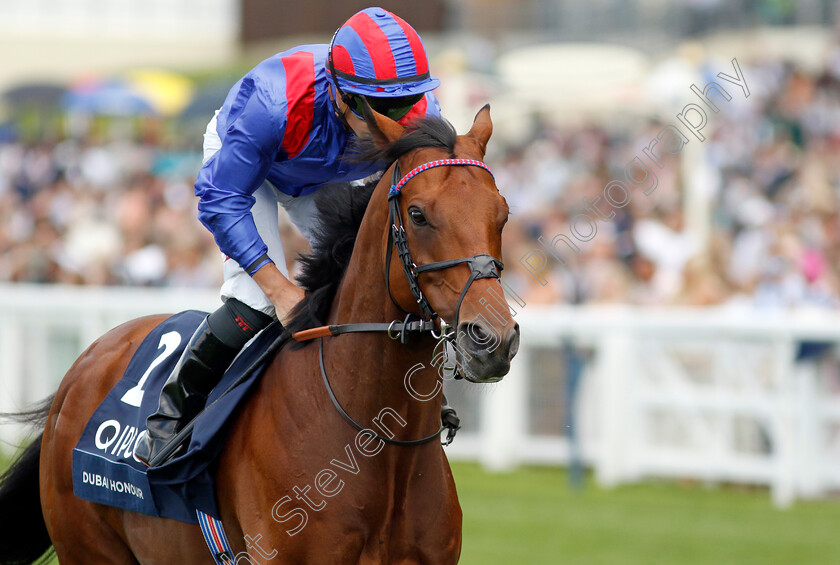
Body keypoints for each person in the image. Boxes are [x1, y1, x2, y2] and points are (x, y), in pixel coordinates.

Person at [134, 6, 443, 466]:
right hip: (249, 168)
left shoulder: (420, 111)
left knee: (373, 280)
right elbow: (220, 198)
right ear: (340, 93)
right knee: (256, 301)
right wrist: (279, 289)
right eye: (381, 108)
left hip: (322, 176)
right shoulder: (270, 102)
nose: (397, 122)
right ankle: (168, 418)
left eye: (404, 105)